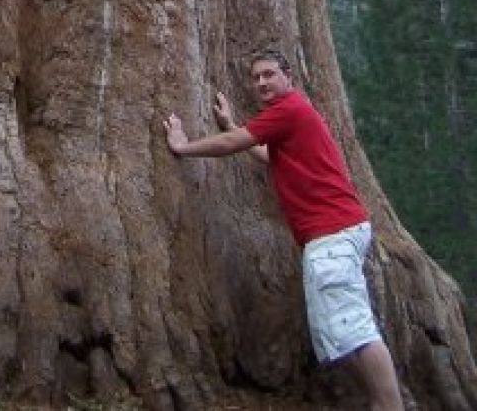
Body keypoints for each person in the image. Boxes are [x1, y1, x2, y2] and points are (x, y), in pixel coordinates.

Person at [164, 48, 404, 411]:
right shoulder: (289, 116)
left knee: (354, 328)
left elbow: (235, 145)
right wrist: (232, 127)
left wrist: (184, 147)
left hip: (332, 234)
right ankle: (379, 401)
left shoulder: (289, 109)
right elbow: (268, 154)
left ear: (288, 77)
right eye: (256, 76)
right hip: (332, 234)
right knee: (338, 334)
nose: (261, 82)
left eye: (269, 74)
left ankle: (390, 405)